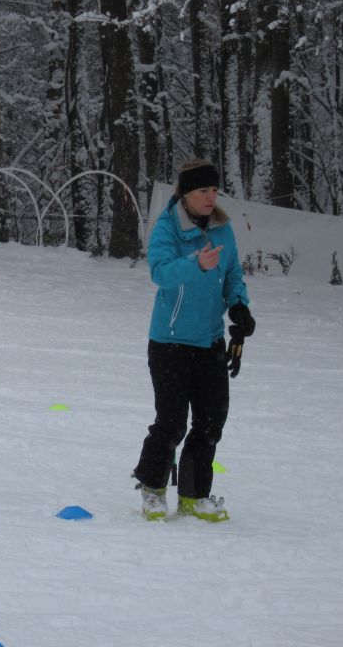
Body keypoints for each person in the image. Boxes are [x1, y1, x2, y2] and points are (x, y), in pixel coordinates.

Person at [133, 158, 255, 522]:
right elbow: (160, 273)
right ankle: (153, 490)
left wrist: (239, 310)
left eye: (215, 190)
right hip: (170, 342)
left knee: (210, 422)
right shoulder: (167, 228)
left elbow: (233, 274)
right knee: (171, 422)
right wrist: (196, 265)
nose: (210, 197)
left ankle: (194, 494)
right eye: (203, 190)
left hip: (210, 341)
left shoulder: (222, 229)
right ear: (185, 193)